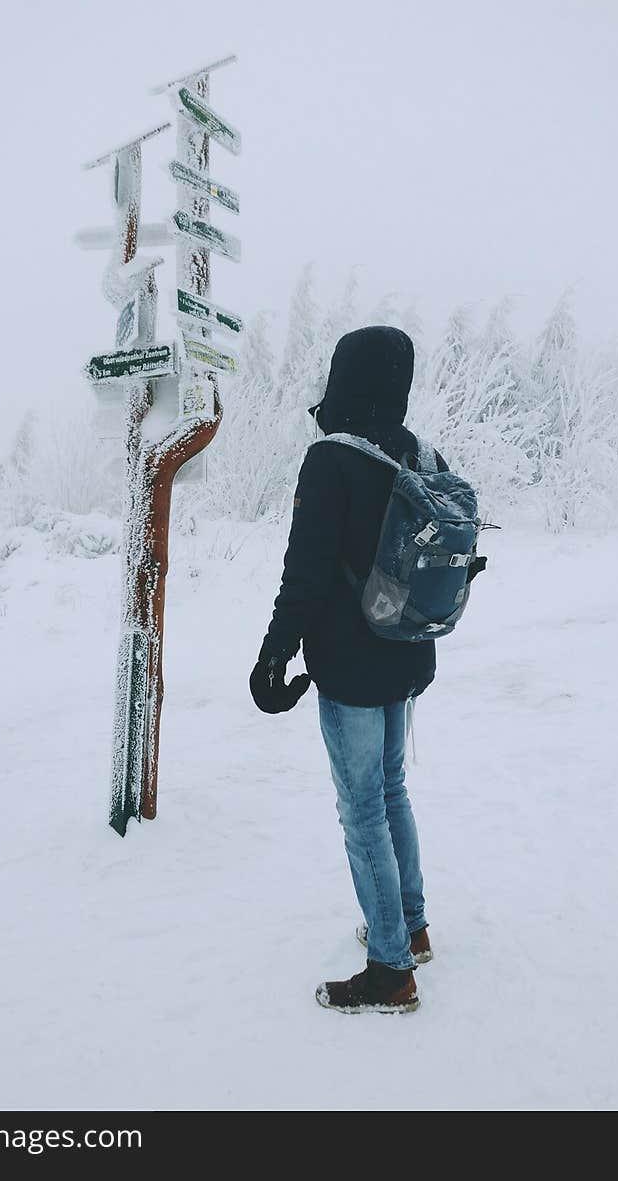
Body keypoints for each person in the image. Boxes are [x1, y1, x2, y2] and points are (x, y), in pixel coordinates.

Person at [249, 326, 449, 1015]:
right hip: (406, 651)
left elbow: (304, 574)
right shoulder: (419, 452)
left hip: (352, 663)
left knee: (363, 806)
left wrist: (274, 653)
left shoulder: (331, 459)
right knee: (390, 789)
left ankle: (391, 969)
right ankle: (411, 926)